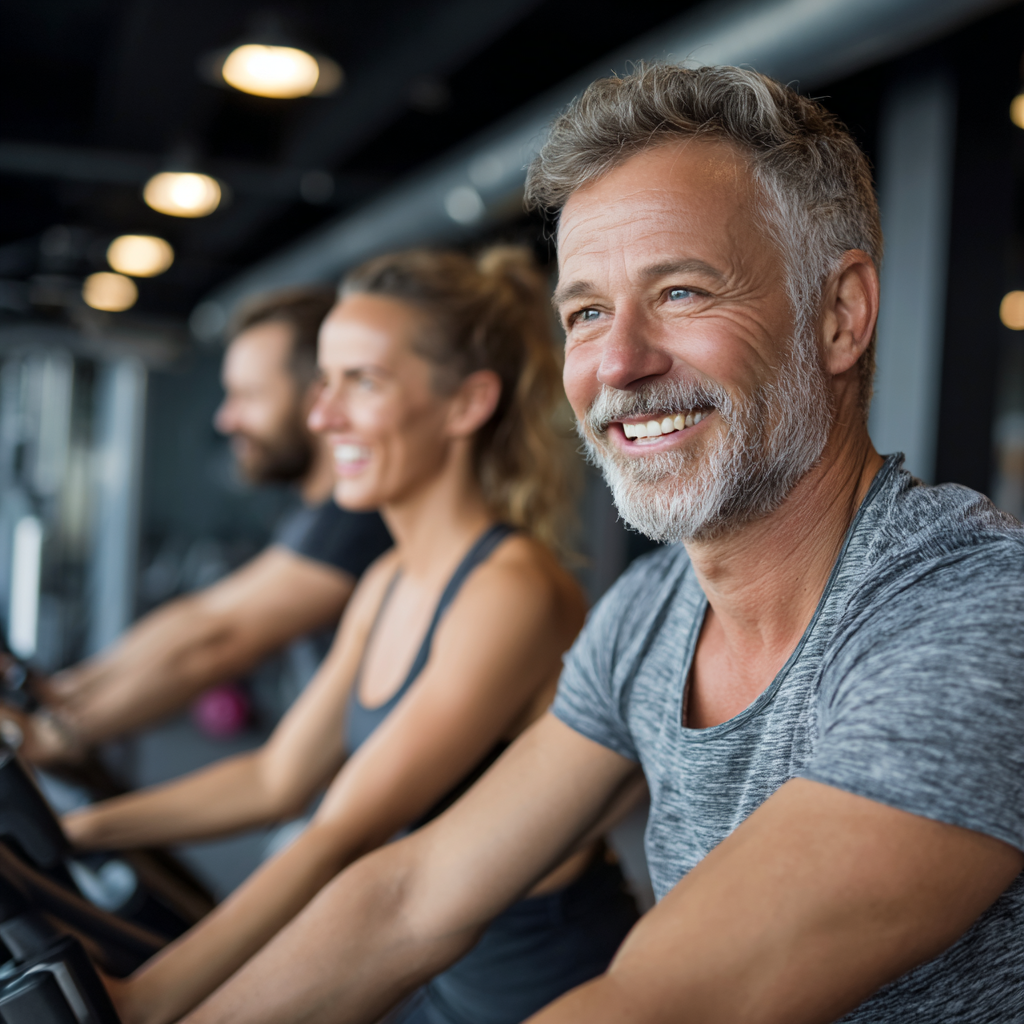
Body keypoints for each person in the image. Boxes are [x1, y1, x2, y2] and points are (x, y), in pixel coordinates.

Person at [172, 64, 1024, 1024]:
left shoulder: (978, 617)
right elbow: (411, 899)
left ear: (840, 315)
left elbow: (660, 1001)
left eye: (683, 292)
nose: (619, 362)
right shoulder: (651, 615)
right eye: (585, 313)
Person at [64, 246, 639, 1024]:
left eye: (361, 382)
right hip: (422, 974)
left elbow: (340, 832)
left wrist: (144, 1001)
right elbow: (277, 778)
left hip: (533, 991)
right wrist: (78, 830)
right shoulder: (387, 580)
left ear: (466, 404)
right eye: (324, 381)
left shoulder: (510, 591)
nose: (322, 416)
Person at [1, 288, 392, 766]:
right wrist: (58, 694)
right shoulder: (312, 516)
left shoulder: (356, 524)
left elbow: (216, 642)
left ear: (317, 396)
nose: (225, 419)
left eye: (247, 396)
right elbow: (202, 615)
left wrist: (53, 732)